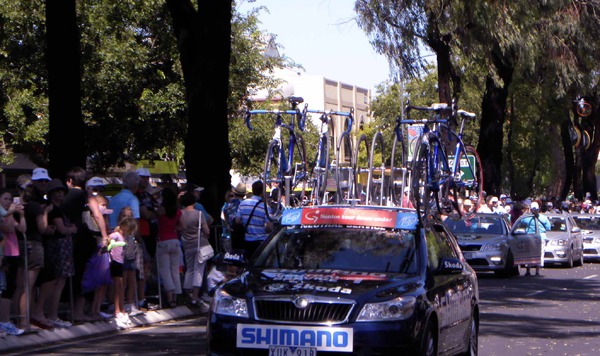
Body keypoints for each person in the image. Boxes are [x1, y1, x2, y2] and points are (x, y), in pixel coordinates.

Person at [33, 178, 76, 329]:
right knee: (58, 281)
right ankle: (52, 314)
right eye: (56, 191)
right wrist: (71, 229)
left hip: (59, 247)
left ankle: (51, 314)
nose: (59, 194)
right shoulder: (54, 209)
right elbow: (62, 230)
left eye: (61, 191)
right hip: (58, 248)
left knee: (59, 282)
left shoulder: (58, 208)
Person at [17, 168, 56, 330]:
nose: (43, 185)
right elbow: (42, 228)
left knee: (22, 285)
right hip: (34, 244)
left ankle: (20, 320)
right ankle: (24, 322)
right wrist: (45, 212)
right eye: (39, 183)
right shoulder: (35, 206)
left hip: (21, 244)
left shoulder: (18, 205)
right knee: (28, 286)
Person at [61, 167, 98, 323]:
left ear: (70, 181)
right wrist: (103, 234)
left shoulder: (70, 196)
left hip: (75, 239)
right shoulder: (85, 196)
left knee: (76, 275)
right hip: (83, 237)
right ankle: (79, 311)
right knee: (83, 275)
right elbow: (97, 215)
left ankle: (76, 312)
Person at [107, 171, 142, 315]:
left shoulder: (113, 199)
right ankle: (129, 303)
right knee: (129, 274)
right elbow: (136, 223)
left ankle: (114, 303)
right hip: (127, 238)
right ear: (135, 184)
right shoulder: (133, 199)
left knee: (117, 274)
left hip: (114, 236)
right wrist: (139, 240)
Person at [0, 188, 26, 335]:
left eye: (10, 199)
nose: (8, 202)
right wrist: (10, 211)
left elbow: (22, 228)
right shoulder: (3, 215)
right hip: (5, 254)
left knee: (11, 287)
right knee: (5, 288)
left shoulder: (10, 215)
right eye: (5, 199)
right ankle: (4, 321)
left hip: (14, 253)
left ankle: (6, 320)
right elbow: (8, 228)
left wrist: (21, 215)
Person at [179, 192, 210, 309]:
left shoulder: (180, 214)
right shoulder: (199, 214)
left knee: (189, 269)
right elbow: (206, 230)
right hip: (199, 244)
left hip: (187, 244)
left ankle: (189, 293)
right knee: (199, 270)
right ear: (193, 202)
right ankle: (195, 297)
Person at [134, 168, 159, 311]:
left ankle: (143, 296)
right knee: (142, 267)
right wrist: (153, 213)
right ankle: (140, 298)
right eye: (142, 178)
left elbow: (159, 210)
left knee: (147, 266)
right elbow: (146, 213)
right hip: (142, 233)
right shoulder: (136, 195)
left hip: (151, 234)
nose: (145, 180)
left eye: (146, 178)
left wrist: (154, 212)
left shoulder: (148, 195)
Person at [108, 214, 138, 329]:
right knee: (118, 286)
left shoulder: (122, 236)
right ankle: (117, 310)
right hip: (115, 262)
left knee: (121, 286)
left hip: (121, 261)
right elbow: (108, 241)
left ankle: (122, 308)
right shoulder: (116, 235)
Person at [155, 188, 182, 308]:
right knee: (175, 270)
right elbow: (182, 226)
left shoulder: (161, 211)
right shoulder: (178, 212)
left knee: (165, 271)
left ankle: (170, 297)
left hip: (163, 241)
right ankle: (176, 296)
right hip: (175, 240)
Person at [235, 180, 273, 258]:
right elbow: (270, 227)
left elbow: (237, 221)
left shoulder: (243, 204)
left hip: (247, 241)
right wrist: (261, 228)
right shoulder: (265, 207)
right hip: (260, 241)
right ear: (262, 192)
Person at [522, 201, 551, 277]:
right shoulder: (543, 218)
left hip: (530, 237)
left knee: (528, 253)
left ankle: (528, 271)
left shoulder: (527, 218)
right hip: (541, 237)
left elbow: (521, 223)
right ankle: (537, 271)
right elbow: (548, 227)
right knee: (540, 253)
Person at [221, 183, 247, 252]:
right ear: (244, 195)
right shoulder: (244, 204)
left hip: (227, 234)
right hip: (240, 235)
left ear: (235, 193)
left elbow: (223, 218)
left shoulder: (226, 205)